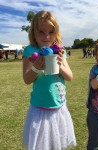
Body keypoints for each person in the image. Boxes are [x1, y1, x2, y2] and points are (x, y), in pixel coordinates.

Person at [22, 10, 76, 150]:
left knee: (57, 145)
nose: (46, 36)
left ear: (56, 33)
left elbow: (70, 76)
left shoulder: (59, 52)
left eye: (51, 32)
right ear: (33, 32)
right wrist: (35, 68)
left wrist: (59, 65)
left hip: (59, 108)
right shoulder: (30, 51)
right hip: (40, 110)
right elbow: (27, 79)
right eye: (41, 32)